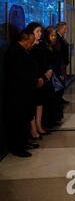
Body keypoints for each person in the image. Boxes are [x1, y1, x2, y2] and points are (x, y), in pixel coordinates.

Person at [5, 29, 43, 157]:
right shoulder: (15, 52)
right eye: (31, 42)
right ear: (24, 40)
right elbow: (20, 74)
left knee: (25, 118)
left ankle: (24, 142)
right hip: (18, 93)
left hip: (26, 91)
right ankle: (17, 147)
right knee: (18, 120)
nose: (32, 44)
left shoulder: (23, 51)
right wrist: (34, 81)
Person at [27, 22, 52, 139]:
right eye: (37, 31)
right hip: (35, 78)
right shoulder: (29, 47)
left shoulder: (41, 44)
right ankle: (33, 129)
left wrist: (48, 71)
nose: (39, 34)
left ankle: (39, 125)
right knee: (33, 103)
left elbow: (46, 59)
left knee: (40, 103)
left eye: (40, 31)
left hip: (44, 77)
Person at [42, 26, 64, 127]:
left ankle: (55, 118)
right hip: (50, 76)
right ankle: (50, 120)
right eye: (52, 35)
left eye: (55, 35)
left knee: (56, 97)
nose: (54, 37)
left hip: (55, 74)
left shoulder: (53, 46)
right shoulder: (44, 47)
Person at [54, 22, 70, 104]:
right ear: (60, 29)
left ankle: (61, 98)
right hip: (60, 63)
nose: (65, 30)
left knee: (63, 81)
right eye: (64, 29)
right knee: (61, 80)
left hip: (63, 63)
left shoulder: (61, 37)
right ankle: (59, 99)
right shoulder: (57, 38)